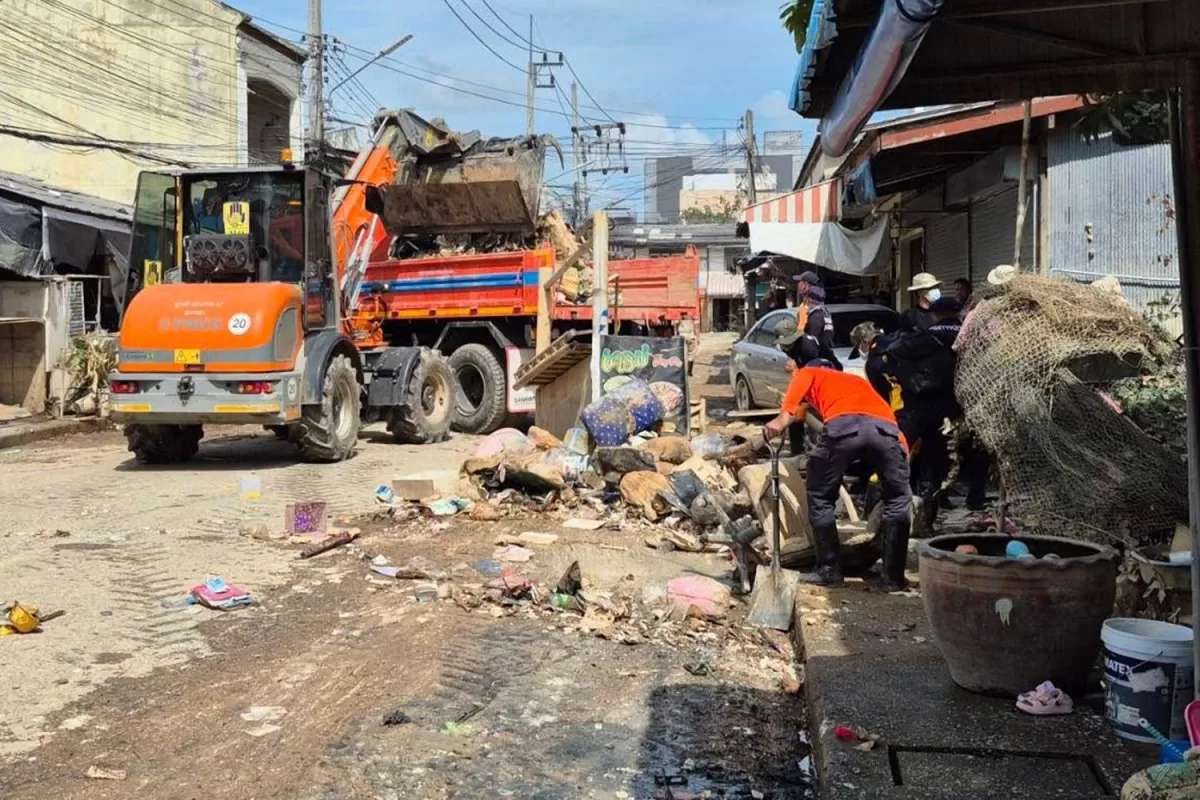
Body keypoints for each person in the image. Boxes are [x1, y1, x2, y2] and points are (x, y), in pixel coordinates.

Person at [763, 336, 913, 589]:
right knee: (898, 499)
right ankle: (893, 577)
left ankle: (830, 570)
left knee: (820, 496)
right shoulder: (855, 381)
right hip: (887, 433)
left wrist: (775, 426)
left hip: (844, 428)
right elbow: (880, 422)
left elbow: (788, 413)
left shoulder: (807, 372)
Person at [882, 295, 963, 530]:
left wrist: (911, 380)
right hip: (950, 407)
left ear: (934, 314)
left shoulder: (926, 336)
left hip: (917, 405)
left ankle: (895, 509)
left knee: (899, 452)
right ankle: (927, 518)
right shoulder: (966, 335)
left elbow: (894, 352)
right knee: (935, 460)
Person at [792, 270, 842, 370]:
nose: (797, 285)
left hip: (816, 367)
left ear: (805, 285)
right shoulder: (823, 312)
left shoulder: (815, 317)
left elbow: (811, 347)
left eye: (800, 282)